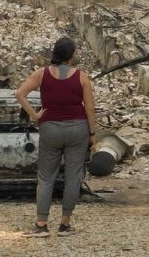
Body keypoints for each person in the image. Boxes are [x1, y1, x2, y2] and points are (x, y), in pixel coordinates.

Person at [15, 37, 96, 238]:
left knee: (45, 177)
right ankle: (64, 225)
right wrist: (92, 134)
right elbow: (90, 109)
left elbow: (19, 94)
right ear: (71, 55)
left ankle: (41, 224)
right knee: (73, 176)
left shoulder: (41, 74)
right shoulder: (82, 77)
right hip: (78, 129)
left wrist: (35, 115)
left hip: (50, 128)